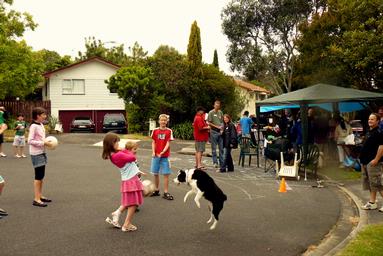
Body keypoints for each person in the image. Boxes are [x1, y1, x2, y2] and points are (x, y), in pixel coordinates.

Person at [102, 133, 143, 232]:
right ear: (112, 143)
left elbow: (130, 163)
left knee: (130, 201)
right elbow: (132, 157)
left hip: (130, 179)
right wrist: (125, 150)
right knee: (133, 203)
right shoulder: (118, 155)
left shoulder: (113, 154)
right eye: (117, 141)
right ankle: (127, 224)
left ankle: (117, 213)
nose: (118, 143)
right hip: (131, 180)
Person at [27, 107, 52, 207]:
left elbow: (42, 138)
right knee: (38, 176)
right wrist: (43, 142)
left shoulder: (41, 124)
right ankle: (36, 199)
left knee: (41, 176)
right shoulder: (33, 126)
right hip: (36, 153)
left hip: (42, 152)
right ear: (38, 116)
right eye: (43, 115)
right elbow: (29, 140)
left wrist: (46, 143)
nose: (45, 116)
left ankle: (40, 195)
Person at [359, 113, 383, 211]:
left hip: (373, 162)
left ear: (377, 121)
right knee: (370, 184)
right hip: (365, 162)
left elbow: (382, 147)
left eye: (372, 119)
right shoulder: (369, 131)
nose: (370, 121)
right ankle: (372, 202)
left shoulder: (379, 132)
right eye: (369, 119)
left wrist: (376, 159)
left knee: (377, 184)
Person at [150, 114, 174, 200]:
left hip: (165, 156)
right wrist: (153, 152)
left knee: (166, 174)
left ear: (167, 121)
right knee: (155, 173)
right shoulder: (155, 131)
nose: (163, 121)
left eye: (165, 120)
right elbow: (153, 142)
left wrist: (163, 151)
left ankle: (166, 192)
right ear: (159, 121)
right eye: (162, 120)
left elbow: (168, 142)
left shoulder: (169, 131)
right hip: (156, 155)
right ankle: (156, 190)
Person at [207, 100, 223, 168]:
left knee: (221, 148)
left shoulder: (220, 112)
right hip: (213, 131)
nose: (217, 107)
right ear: (214, 105)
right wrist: (217, 126)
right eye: (216, 105)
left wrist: (222, 128)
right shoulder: (211, 112)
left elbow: (222, 121)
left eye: (218, 106)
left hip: (220, 132)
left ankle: (221, 162)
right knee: (214, 148)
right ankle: (215, 162)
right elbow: (209, 122)